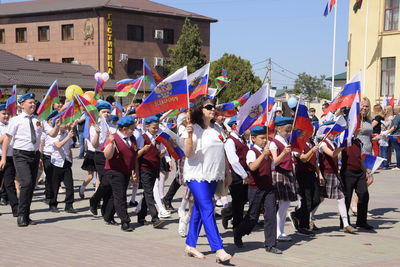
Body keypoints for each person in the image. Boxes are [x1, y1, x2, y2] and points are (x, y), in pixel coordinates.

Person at [182, 95, 232, 263]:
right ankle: (218, 248)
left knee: (198, 209)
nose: (213, 110)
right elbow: (188, 153)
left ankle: (190, 244)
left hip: (214, 175)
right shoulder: (192, 128)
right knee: (207, 208)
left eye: (213, 107)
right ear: (200, 110)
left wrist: (227, 171)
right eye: (209, 107)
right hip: (197, 175)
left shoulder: (217, 128)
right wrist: (189, 135)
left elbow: (222, 152)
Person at [0, 93, 60, 227]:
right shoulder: (15, 120)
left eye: (34, 102)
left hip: (35, 155)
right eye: (30, 102)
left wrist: (57, 126)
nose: (33, 105)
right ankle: (20, 215)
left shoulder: (39, 120)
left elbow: (52, 134)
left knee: (31, 186)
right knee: (26, 183)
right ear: (22, 105)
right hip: (20, 154)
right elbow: (7, 139)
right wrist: (3, 158)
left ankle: (26, 215)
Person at [233, 125, 282, 254]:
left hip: (269, 188)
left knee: (270, 215)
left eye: (266, 138)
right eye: (262, 138)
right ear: (253, 138)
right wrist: (263, 155)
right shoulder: (251, 152)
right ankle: (238, 232)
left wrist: (284, 153)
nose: (265, 140)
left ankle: (270, 244)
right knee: (253, 217)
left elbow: (273, 164)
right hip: (256, 188)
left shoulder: (267, 152)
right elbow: (253, 167)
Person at [318, 122, 357, 234]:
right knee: (319, 198)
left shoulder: (333, 143)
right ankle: (309, 218)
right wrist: (342, 146)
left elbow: (337, 157)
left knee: (341, 198)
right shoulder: (323, 143)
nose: (333, 134)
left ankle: (346, 224)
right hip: (326, 173)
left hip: (334, 173)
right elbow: (331, 154)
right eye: (331, 132)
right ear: (326, 133)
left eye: (334, 133)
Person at [103, 116, 139, 232]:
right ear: (124, 129)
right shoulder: (113, 138)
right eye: (132, 129)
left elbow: (133, 155)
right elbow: (107, 156)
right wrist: (112, 145)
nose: (133, 131)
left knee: (116, 195)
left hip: (126, 170)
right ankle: (125, 221)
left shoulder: (132, 138)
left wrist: (134, 171)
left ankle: (108, 215)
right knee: (121, 196)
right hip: (115, 171)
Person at [136, 115, 166, 228]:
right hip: (145, 168)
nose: (156, 129)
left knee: (147, 193)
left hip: (154, 168)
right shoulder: (142, 138)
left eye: (157, 127)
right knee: (149, 193)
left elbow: (156, 153)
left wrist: (160, 154)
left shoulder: (158, 138)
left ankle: (141, 215)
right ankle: (155, 218)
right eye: (154, 127)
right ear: (147, 126)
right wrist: (143, 150)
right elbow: (137, 154)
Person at [269, 116, 297, 242]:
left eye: (289, 130)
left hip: (287, 172)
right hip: (279, 173)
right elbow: (275, 161)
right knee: (283, 203)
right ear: (278, 129)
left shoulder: (286, 141)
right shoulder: (274, 142)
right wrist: (284, 153)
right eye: (286, 130)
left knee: (285, 204)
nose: (288, 133)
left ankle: (280, 230)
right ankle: (278, 231)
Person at [88, 100, 117, 218]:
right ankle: (94, 200)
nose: (106, 114)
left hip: (111, 156)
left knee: (110, 184)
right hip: (99, 155)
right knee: (105, 181)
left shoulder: (113, 127)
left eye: (108, 112)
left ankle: (106, 212)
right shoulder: (94, 126)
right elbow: (94, 145)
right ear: (98, 113)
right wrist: (97, 133)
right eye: (104, 111)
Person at [340, 136, 373, 230]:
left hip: (359, 172)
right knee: (347, 197)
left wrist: (365, 171)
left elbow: (360, 158)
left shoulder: (358, 141)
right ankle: (345, 222)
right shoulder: (343, 139)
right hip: (347, 172)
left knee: (364, 194)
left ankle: (362, 222)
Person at [223, 115, 249, 230]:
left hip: (244, 173)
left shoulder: (241, 139)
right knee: (238, 201)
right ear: (234, 127)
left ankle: (227, 213)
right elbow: (234, 161)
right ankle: (237, 227)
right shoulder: (230, 141)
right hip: (235, 175)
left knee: (243, 199)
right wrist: (244, 175)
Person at [291, 136, 320, 236]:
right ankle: (303, 226)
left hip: (312, 174)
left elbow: (315, 161)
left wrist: (319, 174)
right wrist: (312, 150)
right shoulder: (298, 143)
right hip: (302, 174)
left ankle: (297, 214)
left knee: (316, 199)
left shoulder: (311, 142)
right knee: (306, 201)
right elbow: (303, 158)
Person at [49, 121, 77, 213]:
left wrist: (71, 160)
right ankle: (53, 204)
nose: (64, 125)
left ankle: (69, 205)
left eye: (65, 123)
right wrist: (68, 137)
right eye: (62, 124)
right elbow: (58, 145)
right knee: (55, 185)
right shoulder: (53, 134)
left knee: (69, 185)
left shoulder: (66, 133)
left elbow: (69, 148)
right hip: (56, 162)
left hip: (66, 162)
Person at [0, 104, 17, 217]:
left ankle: (16, 209)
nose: (6, 116)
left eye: (8, 114)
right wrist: (8, 134)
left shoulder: (12, 125)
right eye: (3, 114)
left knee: (9, 184)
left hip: (10, 158)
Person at [40, 111, 59, 204]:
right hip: (47, 155)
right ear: (49, 121)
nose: (53, 121)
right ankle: (48, 196)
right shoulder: (45, 131)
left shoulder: (57, 129)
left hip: (57, 156)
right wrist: (40, 157)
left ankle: (53, 196)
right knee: (49, 177)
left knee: (56, 177)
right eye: (52, 120)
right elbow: (41, 144)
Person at [384, 106, 400, 170]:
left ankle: (398, 166)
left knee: (398, 151)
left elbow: (394, 127)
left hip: (395, 136)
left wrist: (387, 132)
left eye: (394, 110)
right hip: (398, 136)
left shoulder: (397, 117)